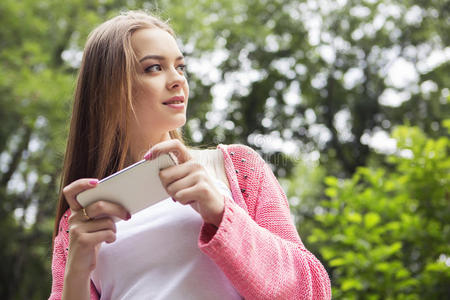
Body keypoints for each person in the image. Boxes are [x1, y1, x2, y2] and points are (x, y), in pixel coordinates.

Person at [49, 10, 331, 300]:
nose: (177, 80)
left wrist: (221, 213)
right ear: (108, 90)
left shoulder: (237, 168)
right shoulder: (81, 218)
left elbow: (312, 292)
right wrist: (76, 275)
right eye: (154, 68)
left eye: (180, 67)